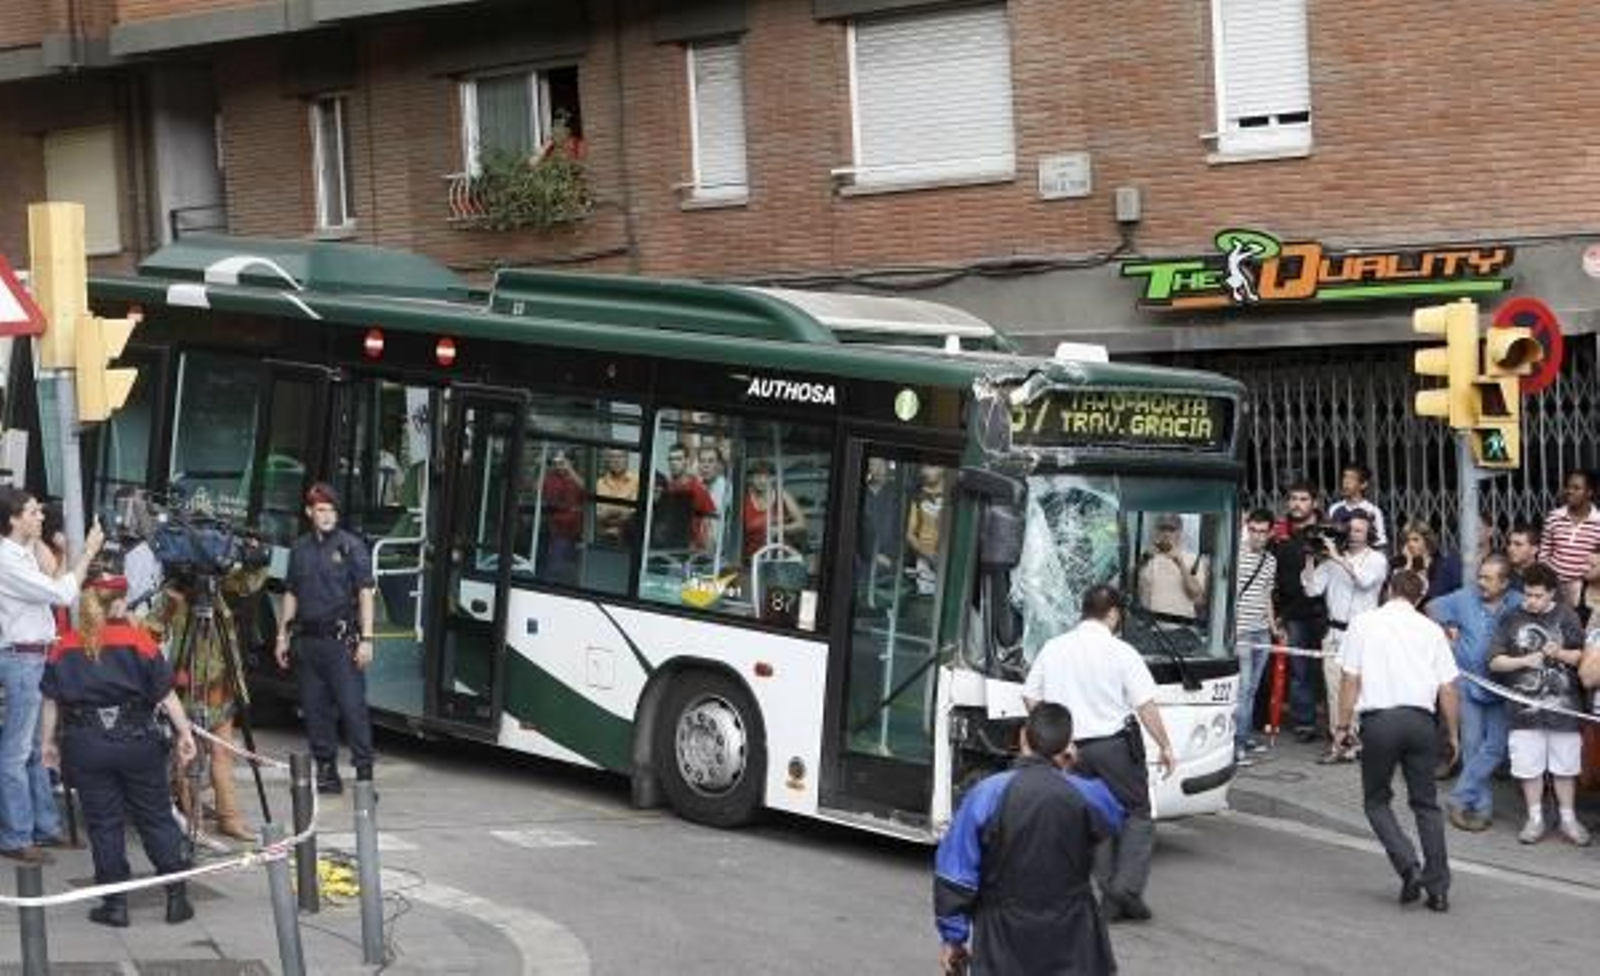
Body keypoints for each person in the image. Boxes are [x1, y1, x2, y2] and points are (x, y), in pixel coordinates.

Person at [39, 572, 198, 928]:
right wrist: (185, 733)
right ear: (122, 602)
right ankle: (176, 898)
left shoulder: (64, 644)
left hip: (86, 743)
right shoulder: (140, 641)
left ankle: (115, 906)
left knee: (104, 824)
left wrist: (47, 743)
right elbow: (166, 695)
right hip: (137, 741)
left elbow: (51, 700)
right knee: (155, 816)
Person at [933, 703, 1126, 976]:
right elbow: (1114, 818)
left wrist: (953, 938)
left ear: (1023, 736)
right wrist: (1069, 771)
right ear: (1068, 745)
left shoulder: (987, 794)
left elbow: (955, 873)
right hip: (1073, 934)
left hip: (1002, 936)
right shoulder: (1088, 794)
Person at [1023, 585, 1177, 923]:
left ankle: (1109, 895)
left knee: (1095, 820)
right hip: (1114, 748)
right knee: (1137, 814)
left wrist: (1055, 736)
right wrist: (1165, 744)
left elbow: (1031, 696)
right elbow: (1145, 706)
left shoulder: (1054, 648)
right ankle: (1126, 888)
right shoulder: (1121, 652)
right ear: (1113, 614)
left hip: (1071, 749)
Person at [1332, 570, 1459, 913]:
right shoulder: (1431, 630)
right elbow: (1448, 688)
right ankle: (1439, 889)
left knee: (1376, 801)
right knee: (1426, 805)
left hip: (1380, 722)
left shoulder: (1363, 623)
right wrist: (1453, 734)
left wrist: (1342, 726)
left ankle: (1408, 866)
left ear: (1389, 590)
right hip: (1420, 722)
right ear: (1420, 598)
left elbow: (1350, 678)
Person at [0, 487, 104, 862]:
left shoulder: (23, 551)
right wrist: (88, 551)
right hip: (22, 658)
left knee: (29, 750)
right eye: (32, 513)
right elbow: (61, 593)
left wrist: (40, 540)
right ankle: (16, 836)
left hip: (33, 656)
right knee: (14, 752)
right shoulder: (7, 559)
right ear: (12, 519)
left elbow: (54, 573)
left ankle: (42, 826)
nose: (41, 517)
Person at [274, 483, 377, 795]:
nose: (327, 515)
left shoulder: (351, 546)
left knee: (352, 709)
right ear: (309, 513)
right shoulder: (300, 548)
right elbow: (291, 592)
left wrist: (368, 639)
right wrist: (282, 635)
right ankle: (327, 772)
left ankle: (364, 776)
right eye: (321, 510)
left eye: (332, 509)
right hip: (308, 641)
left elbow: (365, 593)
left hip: (341, 641)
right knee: (315, 710)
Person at [1487, 562, 1590, 846]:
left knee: (1565, 767)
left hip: (1564, 706)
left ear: (1552, 594)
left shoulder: (1566, 615)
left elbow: (1583, 657)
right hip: (1523, 709)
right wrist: (1523, 660)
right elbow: (1494, 661)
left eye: (1537, 595)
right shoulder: (1510, 617)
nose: (1530, 600)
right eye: (1527, 594)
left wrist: (1560, 653)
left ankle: (1568, 819)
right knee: (1527, 766)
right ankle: (1534, 818)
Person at [1428, 554, 1520, 831]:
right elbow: (1431, 607)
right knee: (1471, 745)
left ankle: (1459, 797)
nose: (1481, 582)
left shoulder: (1518, 602)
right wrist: (1447, 629)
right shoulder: (1464, 597)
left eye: (1488, 578)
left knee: (1496, 747)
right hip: (1468, 686)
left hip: (1504, 687)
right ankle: (1481, 808)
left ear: (1504, 583)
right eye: (1480, 576)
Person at [1304, 511, 1388, 762]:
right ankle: (1339, 743)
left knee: (1360, 690)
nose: (1353, 534)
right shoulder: (1330, 561)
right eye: (1350, 529)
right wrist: (1310, 559)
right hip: (1334, 632)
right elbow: (1311, 589)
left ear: (1369, 534)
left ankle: (1358, 742)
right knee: (1334, 690)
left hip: (1363, 633)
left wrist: (1338, 558)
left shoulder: (1377, 560)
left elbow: (1363, 582)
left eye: (1359, 530)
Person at [1273, 481, 1328, 743]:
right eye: (1293, 498)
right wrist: (1278, 615)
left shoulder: (1327, 533)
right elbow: (1273, 577)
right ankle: (1305, 723)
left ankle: (1336, 724)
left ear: (1314, 503)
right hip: (1293, 614)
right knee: (1300, 671)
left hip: (1326, 613)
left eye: (1303, 499)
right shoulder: (1280, 535)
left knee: (1331, 670)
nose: (1297, 504)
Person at [1233, 509, 1278, 765]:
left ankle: (1245, 735)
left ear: (1271, 532)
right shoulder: (1237, 555)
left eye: (1263, 531)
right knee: (1244, 690)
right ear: (1247, 529)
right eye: (1253, 530)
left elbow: (1266, 595)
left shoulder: (1270, 560)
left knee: (1253, 688)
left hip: (1262, 630)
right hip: (1242, 631)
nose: (1258, 536)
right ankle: (1237, 745)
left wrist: (1272, 627)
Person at [1539, 469, 1600, 606]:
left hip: (1584, 589)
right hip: (1553, 586)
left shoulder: (1598, 522)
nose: (1569, 491)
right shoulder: (1554, 517)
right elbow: (1544, 552)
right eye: (1568, 487)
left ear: (1589, 492)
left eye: (1576, 488)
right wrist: (1547, 582)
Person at [1137, 513, 1207, 621]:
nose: (1166, 534)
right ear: (1156, 531)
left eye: (1171, 530)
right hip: (1148, 627)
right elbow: (1127, 585)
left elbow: (1195, 594)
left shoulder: (1192, 559)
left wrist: (1180, 564)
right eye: (1162, 529)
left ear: (1179, 533)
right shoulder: (1146, 557)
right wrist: (1142, 561)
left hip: (1180, 629)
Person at [652, 443, 718, 553]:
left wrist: (705, 554)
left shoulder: (698, 490)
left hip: (689, 550)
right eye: (671, 459)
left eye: (678, 459)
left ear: (687, 461)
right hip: (664, 547)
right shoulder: (665, 487)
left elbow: (708, 526)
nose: (673, 463)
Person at [740, 459, 805, 562]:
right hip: (752, 558)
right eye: (757, 476)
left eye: (766, 477)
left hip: (779, 557)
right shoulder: (743, 499)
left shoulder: (782, 495)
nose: (762, 480)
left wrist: (778, 529)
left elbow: (801, 524)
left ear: (773, 478)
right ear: (750, 479)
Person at [537, 449, 585, 585]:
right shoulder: (551, 477)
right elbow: (539, 491)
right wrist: (540, 468)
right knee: (554, 568)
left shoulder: (576, 478)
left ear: (572, 462)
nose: (559, 464)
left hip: (573, 531)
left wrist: (570, 471)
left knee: (568, 569)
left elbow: (587, 491)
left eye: (562, 461)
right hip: (555, 529)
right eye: (556, 461)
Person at [1392, 520, 1460, 609]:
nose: (1410, 544)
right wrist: (1408, 564)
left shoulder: (1441, 564)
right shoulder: (1398, 564)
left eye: (1415, 540)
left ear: (1427, 541)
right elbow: (1400, 594)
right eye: (1407, 540)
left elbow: (1437, 593)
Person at [1327, 462, 1389, 549]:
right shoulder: (1334, 508)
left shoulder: (1373, 511)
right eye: (1344, 477)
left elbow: (1380, 542)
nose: (1346, 482)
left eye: (1351, 478)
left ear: (1363, 484)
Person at [905, 466, 946, 597]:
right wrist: (930, 556)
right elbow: (909, 534)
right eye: (925, 467)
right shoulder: (917, 497)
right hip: (926, 564)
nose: (927, 471)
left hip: (952, 560)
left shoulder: (955, 494)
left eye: (933, 466)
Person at [594, 448, 640, 545]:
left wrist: (609, 511)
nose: (616, 460)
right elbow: (597, 515)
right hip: (603, 536)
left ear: (627, 459)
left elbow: (632, 513)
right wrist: (621, 509)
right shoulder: (600, 483)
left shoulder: (637, 480)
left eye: (620, 456)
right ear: (608, 460)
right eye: (612, 457)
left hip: (629, 537)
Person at [1505, 523, 1541, 588]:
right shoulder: (1503, 576)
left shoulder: (1544, 578)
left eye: (1518, 544)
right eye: (1509, 544)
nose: (1511, 549)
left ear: (1534, 549)